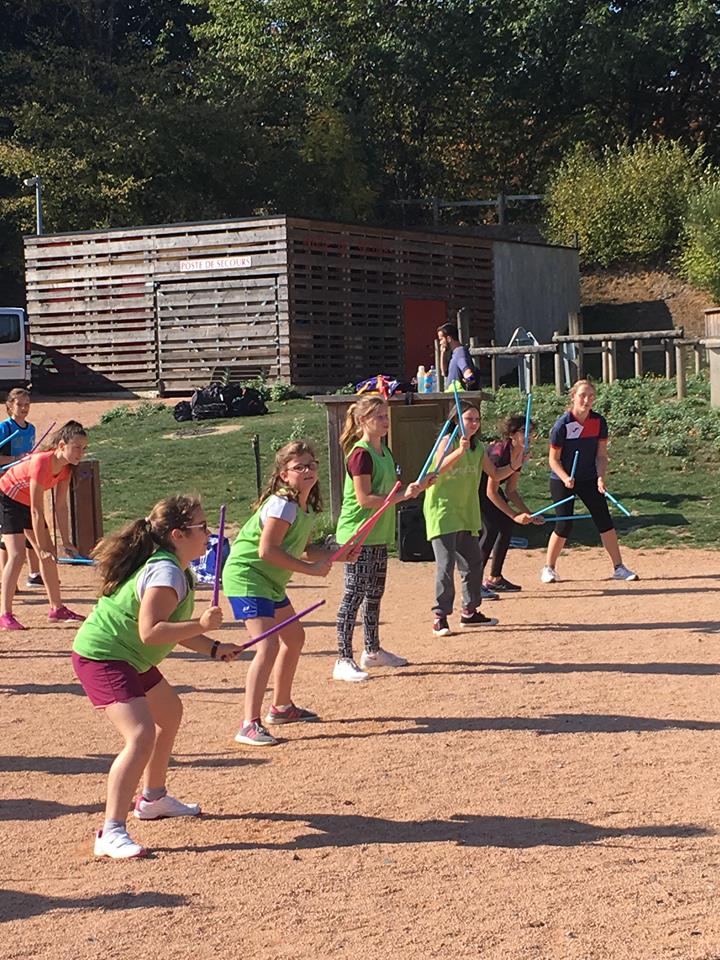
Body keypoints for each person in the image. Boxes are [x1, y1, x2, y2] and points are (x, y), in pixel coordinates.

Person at [72, 495, 241, 860]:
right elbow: (151, 631)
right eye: (202, 527)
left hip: (129, 656)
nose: (209, 534)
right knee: (140, 734)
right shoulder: (166, 572)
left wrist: (213, 647)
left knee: (170, 713)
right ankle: (111, 831)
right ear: (178, 535)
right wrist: (201, 624)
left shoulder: (176, 568)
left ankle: (153, 799)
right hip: (105, 655)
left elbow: (171, 628)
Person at [223, 440, 339, 746]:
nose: (307, 470)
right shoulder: (283, 504)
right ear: (284, 475)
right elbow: (267, 551)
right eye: (299, 467)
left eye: (311, 464)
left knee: (294, 637)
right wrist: (312, 570)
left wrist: (334, 554)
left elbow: (302, 548)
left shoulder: (304, 505)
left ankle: (282, 707)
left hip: (268, 581)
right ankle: (249, 724)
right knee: (268, 645)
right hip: (248, 576)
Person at [334, 396, 427, 681]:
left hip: (378, 534)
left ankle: (372, 650)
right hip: (358, 534)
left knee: (374, 594)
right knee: (353, 595)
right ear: (363, 421)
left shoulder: (384, 451)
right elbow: (364, 499)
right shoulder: (360, 454)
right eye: (379, 417)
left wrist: (414, 488)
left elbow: (388, 492)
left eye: (387, 416)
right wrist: (402, 496)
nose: (386, 422)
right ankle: (343, 658)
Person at [425, 401, 534, 636]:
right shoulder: (447, 442)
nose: (474, 423)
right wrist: (459, 451)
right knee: (446, 565)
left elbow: (495, 474)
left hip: (466, 511)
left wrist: (514, 465)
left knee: (473, 564)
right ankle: (440, 617)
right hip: (442, 511)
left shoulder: (478, 448)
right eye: (469, 419)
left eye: (477, 419)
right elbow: (437, 469)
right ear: (456, 420)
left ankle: (470, 612)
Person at [540, 379, 638, 583]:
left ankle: (619, 568)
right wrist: (566, 477)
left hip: (589, 478)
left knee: (604, 521)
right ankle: (549, 568)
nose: (587, 400)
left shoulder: (599, 422)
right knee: (564, 525)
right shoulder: (562, 425)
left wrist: (601, 477)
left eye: (591, 396)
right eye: (582, 395)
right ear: (573, 397)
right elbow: (553, 460)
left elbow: (601, 456)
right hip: (562, 479)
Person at [0, 420, 88, 629]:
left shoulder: (66, 469)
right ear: (61, 446)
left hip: (27, 503)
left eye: (84, 448)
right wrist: (40, 547)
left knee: (49, 556)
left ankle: (57, 609)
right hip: (7, 498)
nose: (81, 453)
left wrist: (66, 542)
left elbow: (61, 507)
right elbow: (37, 510)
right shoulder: (42, 462)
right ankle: (5, 614)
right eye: (77, 447)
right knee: (17, 554)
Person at [480, 414, 545, 593]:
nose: (528, 436)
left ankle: (495, 578)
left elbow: (511, 490)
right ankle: (473, 583)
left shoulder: (520, 454)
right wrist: (515, 515)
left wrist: (529, 514)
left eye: (530, 432)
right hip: (475, 488)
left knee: (506, 526)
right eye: (524, 431)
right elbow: (491, 492)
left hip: (489, 489)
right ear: (511, 434)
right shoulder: (500, 453)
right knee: (491, 529)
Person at [0, 388, 42, 586]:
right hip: (5, 486)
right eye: (20, 404)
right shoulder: (4, 428)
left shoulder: (31, 428)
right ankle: (8, 580)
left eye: (27, 404)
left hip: (24, 485)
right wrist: (17, 458)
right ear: (10, 406)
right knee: (8, 534)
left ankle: (35, 573)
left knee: (31, 528)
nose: (24, 408)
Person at [437, 322, 477, 391]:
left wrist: (469, 379)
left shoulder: (460, 353)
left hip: (458, 396)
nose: (440, 343)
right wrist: (442, 352)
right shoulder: (454, 353)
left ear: (449, 339)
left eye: (441, 339)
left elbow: (470, 376)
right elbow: (444, 372)